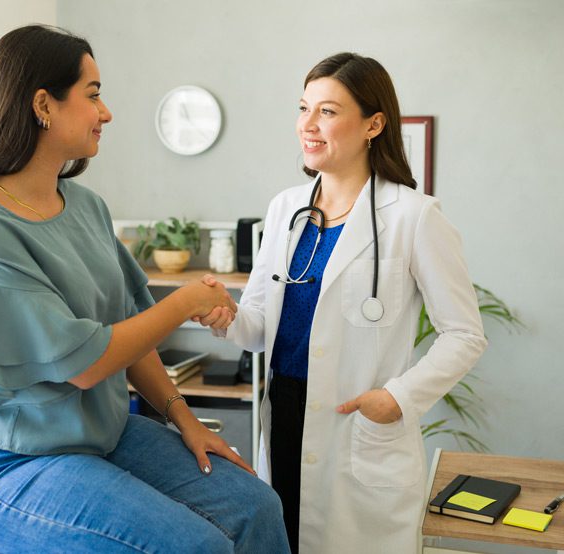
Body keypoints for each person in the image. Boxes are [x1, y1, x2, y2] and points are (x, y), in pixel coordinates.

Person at [0, 24, 289, 554]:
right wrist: (184, 302)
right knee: (194, 546)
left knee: (257, 506)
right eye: (93, 95)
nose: (106, 112)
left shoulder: (87, 208)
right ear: (43, 104)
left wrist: (185, 419)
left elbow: (129, 332)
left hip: (101, 433)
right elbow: (87, 362)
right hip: (8, 459)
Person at [196, 52, 487, 553]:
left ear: (374, 123)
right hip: (285, 414)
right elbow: (260, 326)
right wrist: (226, 315)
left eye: (327, 112)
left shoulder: (415, 217)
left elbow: (464, 334)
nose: (307, 125)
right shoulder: (286, 208)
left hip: (358, 419)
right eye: (303, 108)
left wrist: (397, 397)